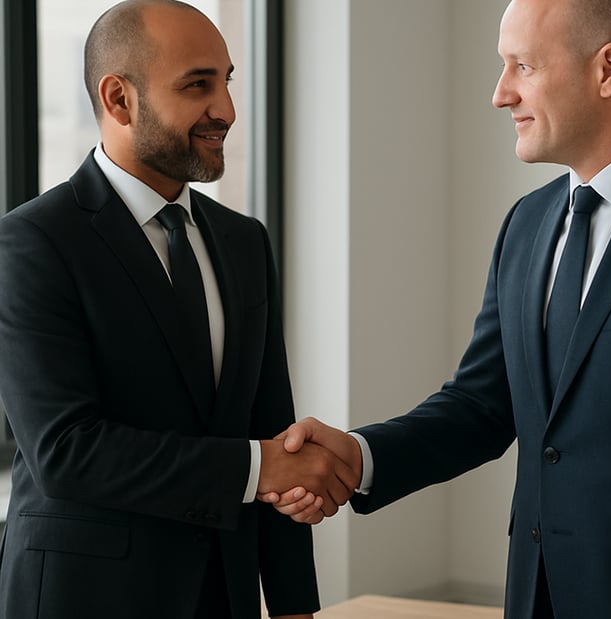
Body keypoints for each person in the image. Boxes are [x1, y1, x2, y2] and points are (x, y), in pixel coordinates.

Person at [261, 0, 611, 617]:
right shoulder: (526, 225)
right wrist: (359, 457)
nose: (501, 94)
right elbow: (481, 405)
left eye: (522, 66)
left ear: (607, 69)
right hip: (534, 597)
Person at [0, 1, 357, 618]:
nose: (227, 110)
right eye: (199, 84)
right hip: (84, 599)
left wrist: (297, 605)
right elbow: (65, 451)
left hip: (225, 594)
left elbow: (274, 431)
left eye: (226, 81)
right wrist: (254, 468)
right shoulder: (30, 243)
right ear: (119, 99)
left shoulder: (245, 241)